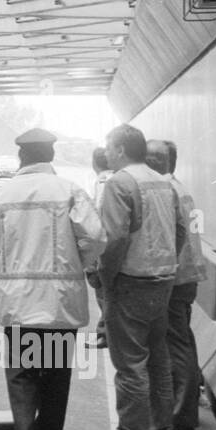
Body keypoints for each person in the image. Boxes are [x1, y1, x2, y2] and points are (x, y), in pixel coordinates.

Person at [0, 127, 105, 430]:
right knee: (54, 376)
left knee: (22, 378)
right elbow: (96, 237)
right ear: (51, 156)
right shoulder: (68, 190)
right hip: (57, 303)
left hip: (19, 303)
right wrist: (77, 262)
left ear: (22, 156)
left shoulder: (3, 194)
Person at [89, 124, 188, 430]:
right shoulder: (163, 181)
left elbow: (114, 238)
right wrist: (167, 265)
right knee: (158, 361)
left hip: (130, 283)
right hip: (162, 281)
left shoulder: (120, 183)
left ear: (119, 149)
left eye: (109, 146)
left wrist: (105, 276)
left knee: (130, 365)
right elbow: (180, 230)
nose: (107, 152)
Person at [146, 139, 206, 430]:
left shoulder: (167, 189)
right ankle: (184, 406)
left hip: (175, 277)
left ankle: (180, 413)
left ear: (170, 161)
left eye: (158, 156)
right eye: (148, 156)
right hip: (184, 275)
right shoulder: (176, 187)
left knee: (176, 343)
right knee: (182, 340)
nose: (151, 160)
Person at [89, 147, 114, 349]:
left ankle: (105, 334)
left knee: (102, 292)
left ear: (94, 164)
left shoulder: (102, 181)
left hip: (105, 247)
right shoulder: (118, 177)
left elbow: (97, 216)